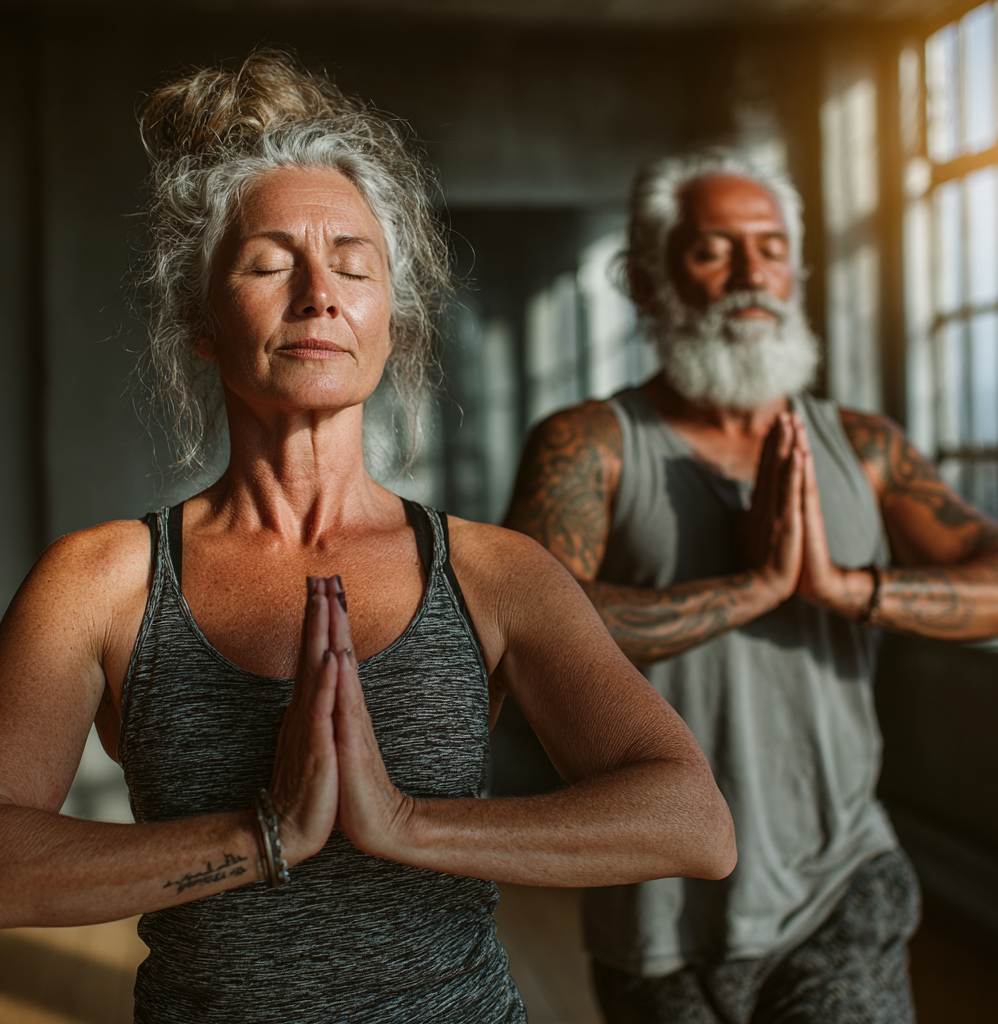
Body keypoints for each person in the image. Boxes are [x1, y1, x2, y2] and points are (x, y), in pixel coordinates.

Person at [0, 55, 737, 1023]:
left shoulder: (489, 572)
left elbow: (694, 822)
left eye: (353, 263)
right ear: (199, 318)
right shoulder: (101, 583)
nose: (319, 293)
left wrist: (404, 823)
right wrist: (264, 835)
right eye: (270, 263)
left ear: (390, 321)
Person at [504, 147, 998, 1023]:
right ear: (650, 280)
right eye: (714, 250)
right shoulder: (587, 442)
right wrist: (753, 587)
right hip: (655, 903)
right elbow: (526, 629)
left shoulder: (863, 445)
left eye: (772, 247)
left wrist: (844, 588)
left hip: (839, 884)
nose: (753, 274)